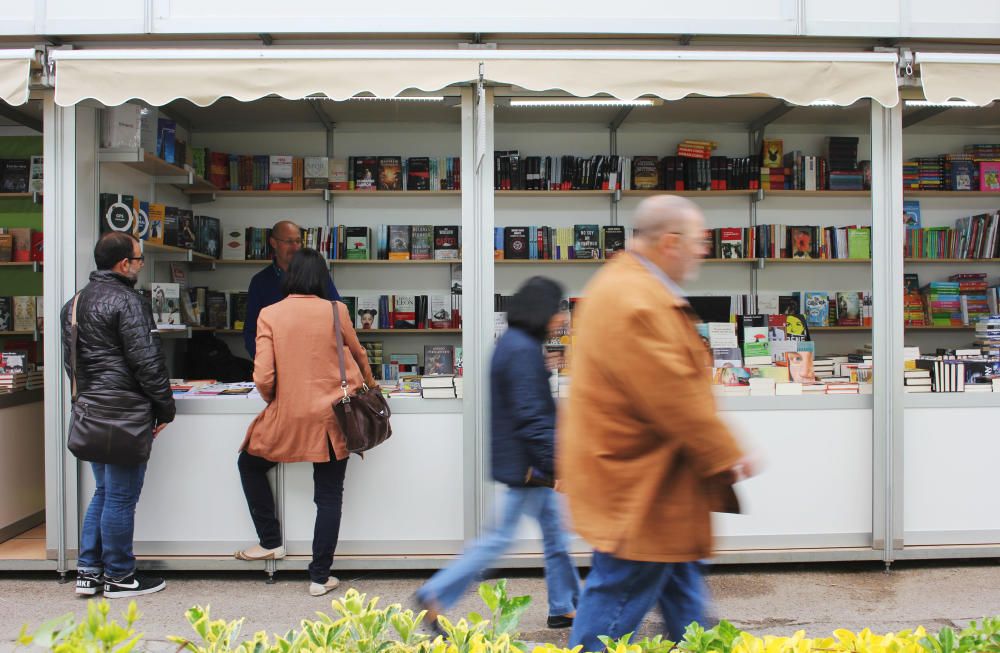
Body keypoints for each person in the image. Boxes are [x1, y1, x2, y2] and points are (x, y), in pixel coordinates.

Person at [559, 195, 755, 650]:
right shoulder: (636, 299)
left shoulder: (632, 287)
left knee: (684, 600)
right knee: (617, 603)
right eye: (699, 242)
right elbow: (672, 395)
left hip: (655, 483)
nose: (704, 250)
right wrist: (726, 452)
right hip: (642, 488)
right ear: (670, 242)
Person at [416, 276, 581, 630]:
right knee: (498, 539)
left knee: (556, 535)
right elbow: (531, 417)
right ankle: (434, 594)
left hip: (525, 464)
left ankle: (564, 605)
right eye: (558, 310)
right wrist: (556, 469)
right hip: (527, 467)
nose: (562, 318)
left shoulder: (516, 345)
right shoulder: (521, 350)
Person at [235, 247, 377, 597]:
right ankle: (319, 577)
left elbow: (264, 374)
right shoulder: (336, 310)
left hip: (288, 416)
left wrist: (277, 400)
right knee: (328, 496)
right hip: (334, 420)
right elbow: (358, 354)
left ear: (291, 276)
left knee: (249, 463)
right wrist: (372, 387)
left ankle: (271, 540)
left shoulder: (270, 314)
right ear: (321, 277)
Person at [60, 232, 175, 598]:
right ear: (124, 263)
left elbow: (72, 363)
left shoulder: (74, 303)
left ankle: (89, 571)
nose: (140, 265)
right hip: (124, 412)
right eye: (139, 259)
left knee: (104, 492)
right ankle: (121, 576)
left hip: (90, 410)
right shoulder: (128, 301)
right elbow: (147, 361)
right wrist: (164, 408)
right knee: (121, 497)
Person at [244, 220, 340, 358]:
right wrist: (266, 362)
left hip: (317, 360)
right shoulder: (260, 282)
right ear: (273, 243)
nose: (295, 247)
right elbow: (251, 332)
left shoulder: (317, 275)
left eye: (298, 241)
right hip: (276, 363)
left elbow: (338, 314)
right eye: (289, 242)